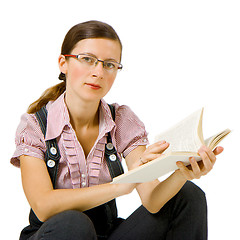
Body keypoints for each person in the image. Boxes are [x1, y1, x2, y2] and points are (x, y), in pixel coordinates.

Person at [11, 20, 223, 240]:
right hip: (56, 234)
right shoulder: (34, 126)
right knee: (74, 223)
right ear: (63, 63)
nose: (98, 72)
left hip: (108, 234)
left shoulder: (121, 120)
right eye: (87, 59)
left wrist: (181, 172)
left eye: (109, 64)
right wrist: (122, 185)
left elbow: (152, 199)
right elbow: (43, 206)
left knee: (187, 195)